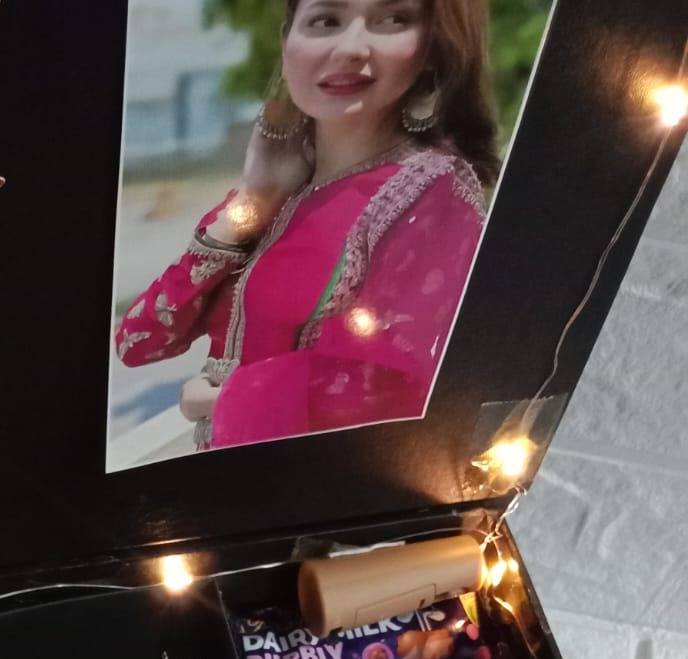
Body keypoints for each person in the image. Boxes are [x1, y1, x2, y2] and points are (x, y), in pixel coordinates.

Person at [115, 0, 499, 450]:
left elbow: (398, 387)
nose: (351, 48)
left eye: (392, 19)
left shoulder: (433, 193)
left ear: (431, 48)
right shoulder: (275, 193)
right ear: (287, 44)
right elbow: (138, 341)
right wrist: (255, 201)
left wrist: (222, 402)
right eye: (325, 20)